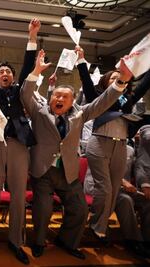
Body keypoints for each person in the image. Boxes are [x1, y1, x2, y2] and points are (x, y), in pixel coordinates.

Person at [20, 49, 132, 259]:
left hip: (68, 173)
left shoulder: (80, 114)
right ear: (51, 98)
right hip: (42, 171)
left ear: (72, 101)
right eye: (56, 95)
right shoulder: (39, 112)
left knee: (80, 210)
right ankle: (38, 242)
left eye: (64, 96)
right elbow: (25, 94)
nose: (59, 98)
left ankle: (67, 241)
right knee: (43, 210)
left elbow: (102, 102)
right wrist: (35, 71)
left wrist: (121, 82)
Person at [0, 16, 39, 264]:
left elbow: (27, 65)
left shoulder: (19, 89)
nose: (5, 74)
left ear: (12, 77)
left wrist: (31, 36)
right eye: (1, 72)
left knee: (19, 196)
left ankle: (15, 241)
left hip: (19, 144)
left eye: (8, 72)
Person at [75, 46, 150, 244]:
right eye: (114, 78)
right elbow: (86, 82)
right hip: (99, 143)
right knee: (106, 189)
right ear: (106, 83)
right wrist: (82, 61)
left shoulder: (128, 100)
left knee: (115, 189)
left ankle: (98, 224)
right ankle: (97, 227)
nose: (119, 79)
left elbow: (144, 85)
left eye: (122, 77)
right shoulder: (97, 99)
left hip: (122, 146)